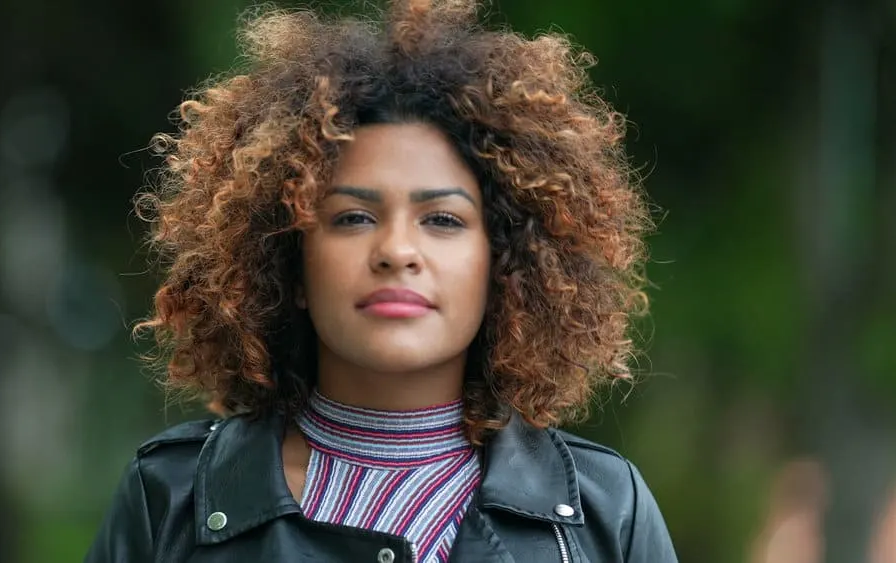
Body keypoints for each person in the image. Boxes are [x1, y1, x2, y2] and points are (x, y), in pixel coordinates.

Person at [85, 0, 677, 561]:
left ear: (503, 266)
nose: (397, 250)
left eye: (442, 220)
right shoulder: (170, 500)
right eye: (353, 218)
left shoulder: (607, 513)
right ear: (290, 262)